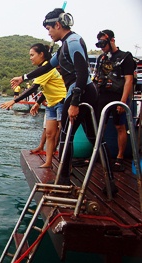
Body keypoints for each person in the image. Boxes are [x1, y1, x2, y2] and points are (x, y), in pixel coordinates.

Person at [10, 8, 116, 189]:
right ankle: (109, 182)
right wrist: (23, 77)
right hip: (83, 92)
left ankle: (64, 180)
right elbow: (47, 68)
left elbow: (82, 73)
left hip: (80, 92)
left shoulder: (73, 42)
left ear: (58, 25)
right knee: (94, 137)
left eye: (49, 29)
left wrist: (74, 102)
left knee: (66, 137)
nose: (49, 33)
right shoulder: (65, 45)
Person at [1, 43, 66, 168]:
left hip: (61, 101)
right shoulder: (43, 69)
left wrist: (14, 101)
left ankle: (65, 164)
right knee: (49, 134)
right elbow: (46, 88)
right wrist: (38, 103)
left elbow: (33, 88)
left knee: (63, 133)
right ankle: (48, 162)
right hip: (51, 103)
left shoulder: (47, 68)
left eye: (32, 55)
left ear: (41, 54)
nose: (30, 58)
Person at [94, 29, 136, 172]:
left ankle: (119, 157)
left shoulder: (125, 57)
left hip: (119, 95)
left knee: (120, 126)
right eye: (100, 44)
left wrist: (123, 102)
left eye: (104, 43)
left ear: (112, 40)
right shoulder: (102, 58)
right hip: (104, 95)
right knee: (100, 126)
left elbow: (129, 80)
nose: (102, 47)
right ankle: (98, 154)